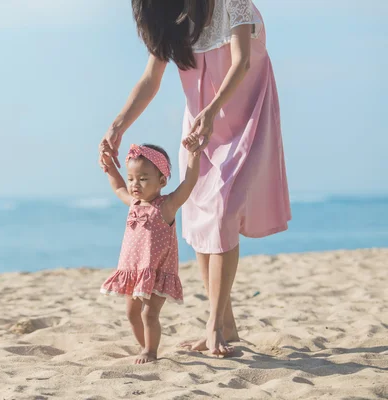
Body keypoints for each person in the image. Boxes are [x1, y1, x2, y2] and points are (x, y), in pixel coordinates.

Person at [99, 0, 291, 357]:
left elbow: (242, 62)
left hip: (240, 119)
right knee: (202, 220)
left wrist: (211, 111)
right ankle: (226, 323)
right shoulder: (173, 18)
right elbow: (150, 80)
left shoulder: (234, 4)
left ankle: (214, 326)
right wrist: (117, 126)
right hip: (200, 128)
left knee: (223, 212)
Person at [99, 143, 200, 364]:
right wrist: (109, 165)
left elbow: (189, 183)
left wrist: (193, 156)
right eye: (132, 178)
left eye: (143, 178)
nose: (135, 184)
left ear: (162, 181)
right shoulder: (134, 203)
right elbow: (118, 187)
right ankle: (144, 346)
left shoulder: (167, 205)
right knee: (131, 314)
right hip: (133, 272)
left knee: (148, 314)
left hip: (158, 272)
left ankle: (151, 352)